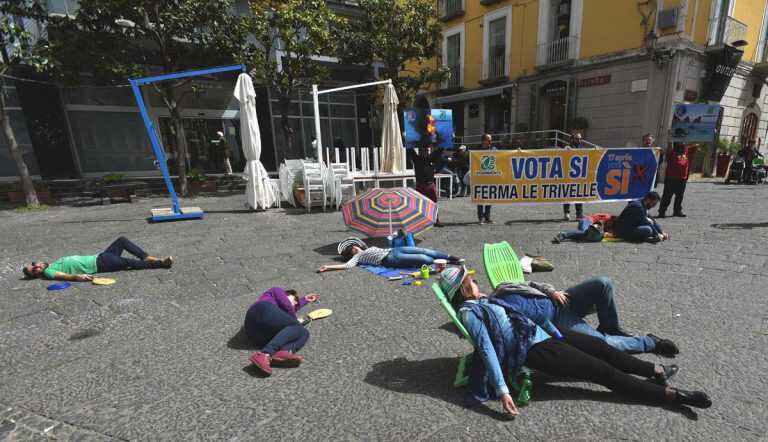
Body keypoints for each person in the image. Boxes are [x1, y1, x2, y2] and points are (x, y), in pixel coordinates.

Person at [439, 267, 712, 416]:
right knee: (601, 371)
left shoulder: (485, 299)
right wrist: (502, 390)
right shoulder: (470, 312)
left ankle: (656, 372)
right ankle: (673, 396)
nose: (475, 281)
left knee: (602, 347)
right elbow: (486, 348)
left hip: (547, 333)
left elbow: (523, 314)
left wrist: (556, 331)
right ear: (463, 289)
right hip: (536, 349)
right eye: (470, 280)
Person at [481, 275, 679, 356]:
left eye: (474, 284)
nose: (478, 291)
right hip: (560, 323)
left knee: (603, 283)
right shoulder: (495, 313)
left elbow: (533, 284)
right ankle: (650, 342)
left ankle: (609, 325)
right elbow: (516, 336)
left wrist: (551, 291)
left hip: (563, 300)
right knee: (602, 343)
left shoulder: (502, 288)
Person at [22, 236, 173, 282]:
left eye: (34, 264)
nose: (37, 267)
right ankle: (161, 264)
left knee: (122, 240)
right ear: (37, 274)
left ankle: (148, 257)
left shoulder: (52, 264)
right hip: (101, 264)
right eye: (34, 270)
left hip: (101, 256)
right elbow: (63, 276)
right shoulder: (48, 272)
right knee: (130, 263)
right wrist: (78, 277)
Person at [245, 287, 320, 376]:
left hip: (255, 335)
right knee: (297, 327)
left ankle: (283, 352)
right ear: (287, 294)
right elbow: (287, 305)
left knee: (304, 333)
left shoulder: (279, 314)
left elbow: (289, 309)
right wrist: (296, 320)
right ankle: (264, 354)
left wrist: (305, 300)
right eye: (295, 299)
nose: (296, 302)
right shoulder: (276, 291)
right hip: (260, 310)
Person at [317, 237, 462, 272]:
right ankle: (448, 263)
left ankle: (450, 257)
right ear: (352, 251)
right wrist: (328, 267)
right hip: (389, 259)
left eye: (354, 245)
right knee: (422, 259)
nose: (355, 247)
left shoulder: (366, 248)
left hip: (393, 251)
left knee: (423, 250)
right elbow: (346, 266)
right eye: (353, 247)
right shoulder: (357, 257)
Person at [658, 142, 696, 217]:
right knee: (667, 195)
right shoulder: (672, 151)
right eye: (680, 144)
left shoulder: (686, 150)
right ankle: (662, 211)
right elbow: (669, 145)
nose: (681, 146)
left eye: (683, 144)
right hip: (671, 178)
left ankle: (677, 211)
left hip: (682, 178)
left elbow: (694, 144)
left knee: (679, 196)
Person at [410, 147, 442, 227]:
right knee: (419, 204)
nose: (426, 152)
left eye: (427, 151)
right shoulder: (416, 159)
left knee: (434, 203)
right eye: (424, 150)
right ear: (420, 152)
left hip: (430, 185)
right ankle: (419, 222)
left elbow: (439, 150)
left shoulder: (432, 158)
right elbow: (410, 149)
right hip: (420, 185)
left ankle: (436, 220)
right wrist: (405, 137)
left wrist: (449, 138)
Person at [563, 132, 585, 220]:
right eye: (577, 139)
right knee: (567, 194)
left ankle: (579, 214)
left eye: (580, 139)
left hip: (578, 177)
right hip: (568, 176)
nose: (579, 140)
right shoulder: (567, 147)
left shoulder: (582, 149)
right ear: (572, 139)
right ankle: (566, 213)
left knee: (579, 195)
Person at [475, 134, 495, 224]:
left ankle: (487, 217)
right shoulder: (476, 150)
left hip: (490, 177)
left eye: (490, 140)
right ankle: (481, 218)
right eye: (488, 140)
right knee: (480, 198)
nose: (490, 141)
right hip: (479, 177)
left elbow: (504, 155)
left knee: (489, 198)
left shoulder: (493, 149)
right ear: (483, 141)